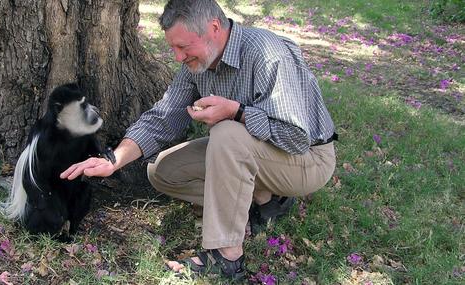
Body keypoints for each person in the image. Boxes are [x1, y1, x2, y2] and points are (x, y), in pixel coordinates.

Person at [60, 0, 337, 280]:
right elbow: (164, 117)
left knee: (226, 132)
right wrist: (113, 160)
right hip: (249, 153)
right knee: (164, 171)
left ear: (213, 28)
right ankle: (262, 199)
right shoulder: (198, 63)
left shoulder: (267, 53)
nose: (178, 57)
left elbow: (297, 137)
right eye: (173, 48)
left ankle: (228, 257)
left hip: (306, 160)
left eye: (183, 47)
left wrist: (237, 112)